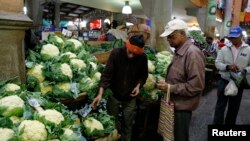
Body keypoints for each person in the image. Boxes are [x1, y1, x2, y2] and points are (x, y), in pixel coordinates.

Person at [91, 34, 148, 141]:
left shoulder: (142, 57)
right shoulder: (116, 53)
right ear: (126, 45)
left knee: (128, 123)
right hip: (114, 94)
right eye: (130, 52)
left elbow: (143, 76)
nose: (131, 56)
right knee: (112, 122)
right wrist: (100, 94)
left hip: (130, 96)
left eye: (134, 54)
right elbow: (106, 75)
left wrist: (138, 86)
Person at [156, 19, 205, 141]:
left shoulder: (192, 53)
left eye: (171, 36)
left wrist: (170, 88)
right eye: (168, 37)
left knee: (180, 137)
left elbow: (196, 86)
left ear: (182, 34)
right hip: (174, 104)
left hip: (182, 107)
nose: (168, 40)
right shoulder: (179, 51)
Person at [213, 25, 250, 125]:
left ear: (241, 36)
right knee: (220, 107)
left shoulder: (248, 49)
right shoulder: (224, 49)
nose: (232, 39)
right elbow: (217, 63)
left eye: (235, 37)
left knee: (234, 108)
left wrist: (245, 70)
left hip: (238, 83)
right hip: (224, 81)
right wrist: (227, 67)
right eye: (231, 37)